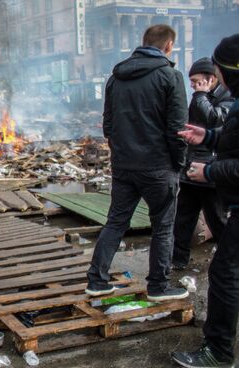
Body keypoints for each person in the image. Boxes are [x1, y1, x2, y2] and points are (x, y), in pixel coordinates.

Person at [85, 24, 190, 301]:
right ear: (168, 46)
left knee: (116, 222)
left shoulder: (115, 78)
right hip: (158, 167)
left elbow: (108, 125)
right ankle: (158, 286)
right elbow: (177, 129)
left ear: (143, 42)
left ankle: (96, 280)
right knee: (164, 226)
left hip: (124, 166)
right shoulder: (170, 76)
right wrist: (178, 164)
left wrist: (121, 154)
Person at [172, 33, 239, 368]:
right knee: (186, 218)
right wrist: (207, 136)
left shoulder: (224, 99)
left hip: (220, 185)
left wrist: (211, 172)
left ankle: (219, 352)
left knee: (225, 273)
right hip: (213, 181)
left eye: (216, 72)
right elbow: (227, 133)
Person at [172, 57, 234, 270]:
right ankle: (178, 261)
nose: (193, 86)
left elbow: (214, 121)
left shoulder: (227, 98)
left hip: (212, 171)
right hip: (193, 167)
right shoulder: (202, 96)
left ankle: (230, 260)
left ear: (211, 79)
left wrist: (200, 95)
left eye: (196, 81)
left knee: (217, 220)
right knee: (183, 219)